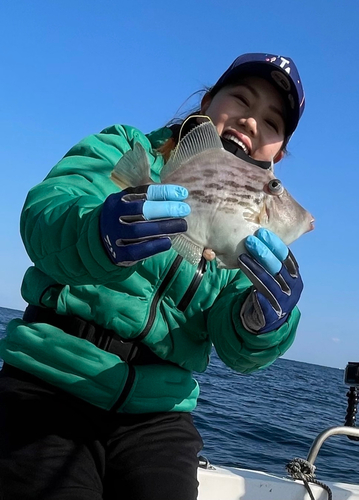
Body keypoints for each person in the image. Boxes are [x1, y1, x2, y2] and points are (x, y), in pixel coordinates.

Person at [0, 53, 306, 500]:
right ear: (209, 100)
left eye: (272, 121)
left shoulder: (252, 228)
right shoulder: (128, 146)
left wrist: (262, 322)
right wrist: (96, 231)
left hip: (157, 413)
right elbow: (44, 215)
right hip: (52, 378)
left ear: (278, 151)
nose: (252, 121)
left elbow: (237, 343)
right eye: (241, 98)